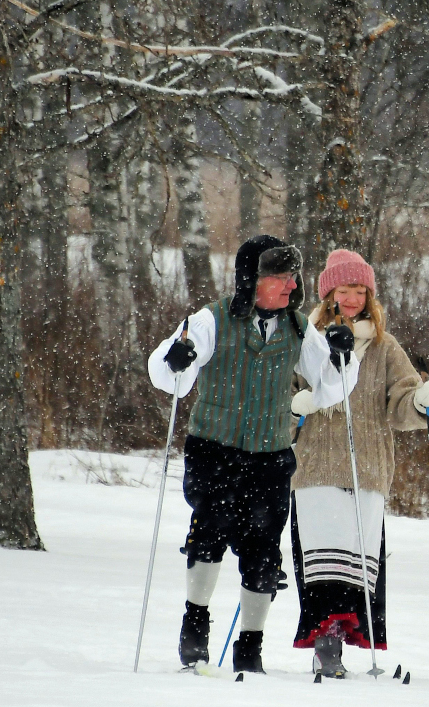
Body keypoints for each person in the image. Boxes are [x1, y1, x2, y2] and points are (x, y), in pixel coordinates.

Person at [148, 235, 360, 673]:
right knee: (208, 534)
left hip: (269, 454)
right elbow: (170, 377)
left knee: (264, 551)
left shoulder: (298, 328)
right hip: (215, 450)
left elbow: (329, 387)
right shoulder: (211, 320)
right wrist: (175, 359)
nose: (291, 286)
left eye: (294, 277)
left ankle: (250, 646)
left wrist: (342, 356)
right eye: (281, 278)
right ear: (252, 280)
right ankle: (195, 626)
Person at [288, 249, 429, 678]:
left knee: (356, 565)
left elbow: (401, 402)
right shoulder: (307, 342)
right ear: (329, 294)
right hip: (316, 465)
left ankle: (344, 637)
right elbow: (283, 394)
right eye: (344, 290)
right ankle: (326, 644)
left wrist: (421, 402)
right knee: (323, 563)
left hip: (368, 467)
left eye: (360, 290)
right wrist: (294, 407)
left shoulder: (384, 347)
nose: (353, 299)